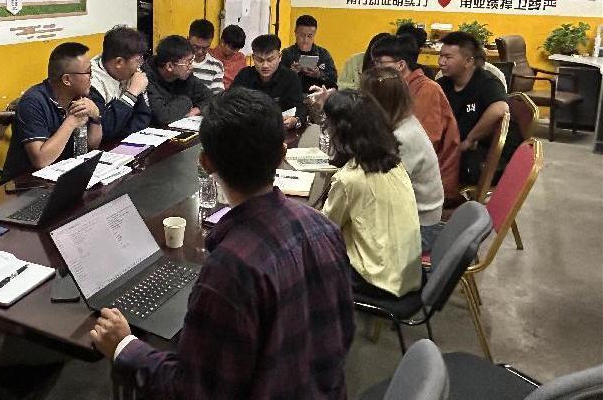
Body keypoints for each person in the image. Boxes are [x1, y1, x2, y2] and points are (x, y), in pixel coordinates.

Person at [90, 88, 355, 399]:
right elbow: (344, 331)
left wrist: (124, 346)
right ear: (282, 154)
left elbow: (193, 390)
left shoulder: (231, 269)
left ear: (205, 162)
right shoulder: (323, 227)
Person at [321, 90, 421, 298]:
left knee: (307, 256)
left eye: (328, 125)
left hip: (376, 280)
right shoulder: (393, 162)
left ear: (340, 132)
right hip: (407, 274)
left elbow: (325, 229)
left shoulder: (349, 179)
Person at [361, 68, 445, 252]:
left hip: (420, 229)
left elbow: (382, 192)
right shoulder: (403, 121)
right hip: (411, 218)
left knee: (337, 237)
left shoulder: (402, 138)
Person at [370, 34, 461, 203]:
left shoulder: (427, 90)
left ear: (400, 65)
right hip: (405, 170)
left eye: (380, 63)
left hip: (428, 186)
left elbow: (420, 145)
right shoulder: (401, 88)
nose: (375, 70)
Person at [1, 42, 102, 183]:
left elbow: (92, 146)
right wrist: (71, 122)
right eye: (88, 72)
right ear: (67, 79)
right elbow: (41, 160)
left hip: (64, 175)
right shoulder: (33, 102)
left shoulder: (80, 96)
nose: (92, 77)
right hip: (25, 185)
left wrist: (96, 116)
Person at [437, 32, 521, 185]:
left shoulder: (487, 82)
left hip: (488, 157)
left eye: (448, 57)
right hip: (460, 148)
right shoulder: (443, 83)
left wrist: (469, 140)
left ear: (468, 61)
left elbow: (500, 108)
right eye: (441, 56)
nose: (441, 62)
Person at [89, 26, 151, 143]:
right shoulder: (90, 83)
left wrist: (124, 132)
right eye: (138, 60)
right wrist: (132, 93)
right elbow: (105, 130)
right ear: (119, 62)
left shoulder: (130, 73)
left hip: (129, 143)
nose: (140, 65)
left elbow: (144, 118)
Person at [231, 34, 304, 129]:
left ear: (280, 57)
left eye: (270, 60)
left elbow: (299, 108)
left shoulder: (291, 77)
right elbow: (231, 102)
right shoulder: (244, 75)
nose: (265, 65)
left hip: (280, 130)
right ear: (253, 57)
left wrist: (295, 120)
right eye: (259, 60)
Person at [143, 35, 212, 126]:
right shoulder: (145, 78)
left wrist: (195, 110)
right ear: (170, 66)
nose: (191, 67)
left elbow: (212, 98)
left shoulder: (185, 75)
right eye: (188, 62)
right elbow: (163, 116)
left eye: (191, 61)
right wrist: (187, 102)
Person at [281, 14, 337, 89]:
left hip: (318, 94)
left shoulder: (323, 54)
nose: (305, 40)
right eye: (302, 35)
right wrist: (291, 73)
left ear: (314, 35)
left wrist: (319, 74)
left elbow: (334, 79)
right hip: (293, 94)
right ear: (295, 33)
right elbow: (277, 80)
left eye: (309, 36)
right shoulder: (287, 54)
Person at [188, 19, 224, 94]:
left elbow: (217, 96)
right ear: (188, 39)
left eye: (205, 48)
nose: (200, 52)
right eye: (196, 47)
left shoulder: (216, 66)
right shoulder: (178, 61)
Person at [209, 24, 247, 88]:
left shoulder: (241, 58)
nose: (235, 52)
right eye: (232, 48)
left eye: (238, 49)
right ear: (222, 42)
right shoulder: (209, 55)